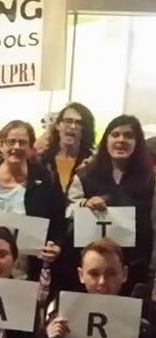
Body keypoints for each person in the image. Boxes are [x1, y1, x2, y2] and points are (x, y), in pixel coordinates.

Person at [66, 115, 156, 297]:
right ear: (106, 140)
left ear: (138, 142)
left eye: (129, 136)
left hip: (136, 269)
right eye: (115, 134)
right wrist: (84, 204)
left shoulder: (151, 179)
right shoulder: (84, 175)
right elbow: (66, 209)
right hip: (90, 273)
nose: (121, 140)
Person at [0, 120, 65, 283]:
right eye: (10, 142)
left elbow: (59, 222)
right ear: (1, 146)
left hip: (31, 269)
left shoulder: (46, 178)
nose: (16, 147)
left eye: (23, 142)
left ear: (31, 148)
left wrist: (56, 246)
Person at [37, 102, 95, 195]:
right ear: (58, 126)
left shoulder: (91, 163)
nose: (73, 126)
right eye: (68, 121)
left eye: (79, 123)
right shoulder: (42, 161)